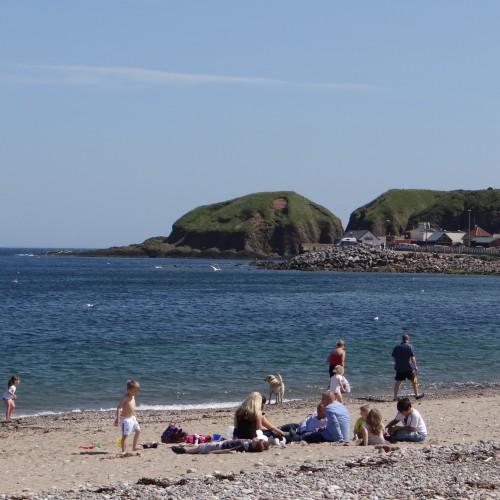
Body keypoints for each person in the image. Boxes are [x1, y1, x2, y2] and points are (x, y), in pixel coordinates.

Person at [392, 333, 424, 400]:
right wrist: (415, 366)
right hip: (408, 368)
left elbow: (394, 357)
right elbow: (412, 357)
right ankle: (417, 395)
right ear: (408, 339)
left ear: (402, 339)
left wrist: (397, 363)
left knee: (397, 383)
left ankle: (395, 397)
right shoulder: (410, 346)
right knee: (414, 380)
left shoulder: (397, 346)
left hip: (399, 368)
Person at [114, 380, 141, 453]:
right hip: (125, 419)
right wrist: (117, 419)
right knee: (125, 435)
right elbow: (119, 407)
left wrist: (134, 414)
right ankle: (124, 450)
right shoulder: (125, 398)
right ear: (129, 390)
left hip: (132, 417)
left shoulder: (133, 396)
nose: (136, 392)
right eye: (134, 391)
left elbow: (131, 407)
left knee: (138, 431)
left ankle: (134, 447)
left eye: (137, 391)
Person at [171, 437, 269, 454]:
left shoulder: (243, 446)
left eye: (256, 440)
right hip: (222, 443)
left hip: (220, 447)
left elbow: (228, 450)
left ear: (254, 445)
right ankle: (186, 450)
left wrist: (213, 452)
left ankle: (185, 451)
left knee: (202, 448)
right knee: (204, 445)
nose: (255, 438)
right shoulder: (247, 444)